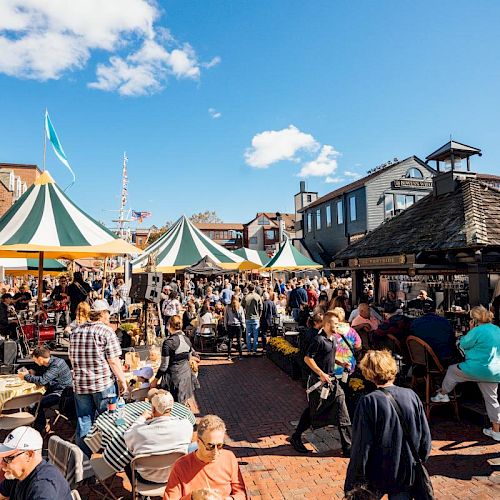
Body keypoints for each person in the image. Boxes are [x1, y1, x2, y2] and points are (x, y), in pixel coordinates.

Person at [345, 350, 432, 498]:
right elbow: (425, 438)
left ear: (369, 373)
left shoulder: (369, 401)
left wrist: (354, 479)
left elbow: (362, 445)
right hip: (406, 470)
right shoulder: (411, 395)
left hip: (378, 471)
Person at [431, 306, 500, 441]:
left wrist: (470, 331)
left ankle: (443, 394)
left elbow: (464, 344)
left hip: (476, 368)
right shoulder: (497, 329)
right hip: (495, 371)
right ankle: (496, 430)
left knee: (452, 371)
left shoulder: (477, 330)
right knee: (492, 400)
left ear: (474, 320)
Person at [69, 299, 126, 457]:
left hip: (81, 384)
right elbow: (113, 361)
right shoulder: (106, 332)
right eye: (108, 313)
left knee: (84, 421)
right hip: (102, 384)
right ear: (102, 314)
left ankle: (83, 461)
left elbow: (72, 357)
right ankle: (111, 456)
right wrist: (122, 381)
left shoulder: (76, 331)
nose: (109, 316)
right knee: (110, 421)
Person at [289, 311, 352, 456]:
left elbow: (329, 356)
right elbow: (307, 359)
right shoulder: (318, 340)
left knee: (342, 410)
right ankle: (296, 437)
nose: (338, 326)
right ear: (328, 324)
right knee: (314, 411)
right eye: (336, 323)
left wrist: (341, 363)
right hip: (318, 383)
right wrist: (321, 373)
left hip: (332, 382)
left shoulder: (333, 339)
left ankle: (348, 447)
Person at [163, 414, 246, 499]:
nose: (216, 452)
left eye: (220, 445)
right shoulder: (181, 466)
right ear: (198, 442)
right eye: (210, 446)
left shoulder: (229, 457)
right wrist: (193, 497)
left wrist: (229, 499)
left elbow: (241, 494)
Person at [124, 390, 194, 484]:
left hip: (146, 478)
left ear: (153, 409)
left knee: (125, 460)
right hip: (174, 476)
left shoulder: (140, 432)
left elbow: (127, 436)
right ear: (171, 408)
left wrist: (141, 418)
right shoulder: (186, 426)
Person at [0, 426, 72, 499]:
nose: (2, 464)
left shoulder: (43, 488)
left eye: (8, 458)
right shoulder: (17, 473)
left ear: (29, 455)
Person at [18, 346, 72, 433]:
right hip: (60, 391)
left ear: (39, 359)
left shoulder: (56, 365)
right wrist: (34, 371)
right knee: (34, 402)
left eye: (34, 360)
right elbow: (46, 373)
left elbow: (42, 380)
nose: (34, 362)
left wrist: (26, 376)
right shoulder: (54, 361)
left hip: (62, 395)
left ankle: (39, 429)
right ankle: (38, 424)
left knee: (34, 404)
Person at [152, 315, 198, 405]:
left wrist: (155, 380)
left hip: (173, 379)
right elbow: (188, 358)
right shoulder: (187, 340)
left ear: (169, 326)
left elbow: (164, 366)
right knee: (183, 405)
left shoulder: (168, 342)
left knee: (172, 405)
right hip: (186, 376)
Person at [330, 308, 362, 380]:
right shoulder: (352, 331)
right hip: (349, 366)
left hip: (332, 367)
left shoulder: (329, 331)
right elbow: (359, 347)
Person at [242, 284, 263, 355]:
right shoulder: (258, 296)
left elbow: (242, 307)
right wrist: (259, 316)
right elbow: (261, 308)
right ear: (254, 288)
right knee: (256, 335)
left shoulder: (245, 297)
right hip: (256, 318)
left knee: (248, 335)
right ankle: (254, 350)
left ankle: (249, 350)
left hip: (247, 317)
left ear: (248, 289)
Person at [224, 296, 245, 360]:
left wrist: (225, 325)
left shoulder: (227, 307)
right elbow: (242, 317)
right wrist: (243, 325)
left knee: (230, 340)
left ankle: (229, 355)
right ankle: (240, 355)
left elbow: (226, 317)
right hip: (238, 325)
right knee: (239, 340)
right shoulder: (240, 307)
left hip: (230, 325)